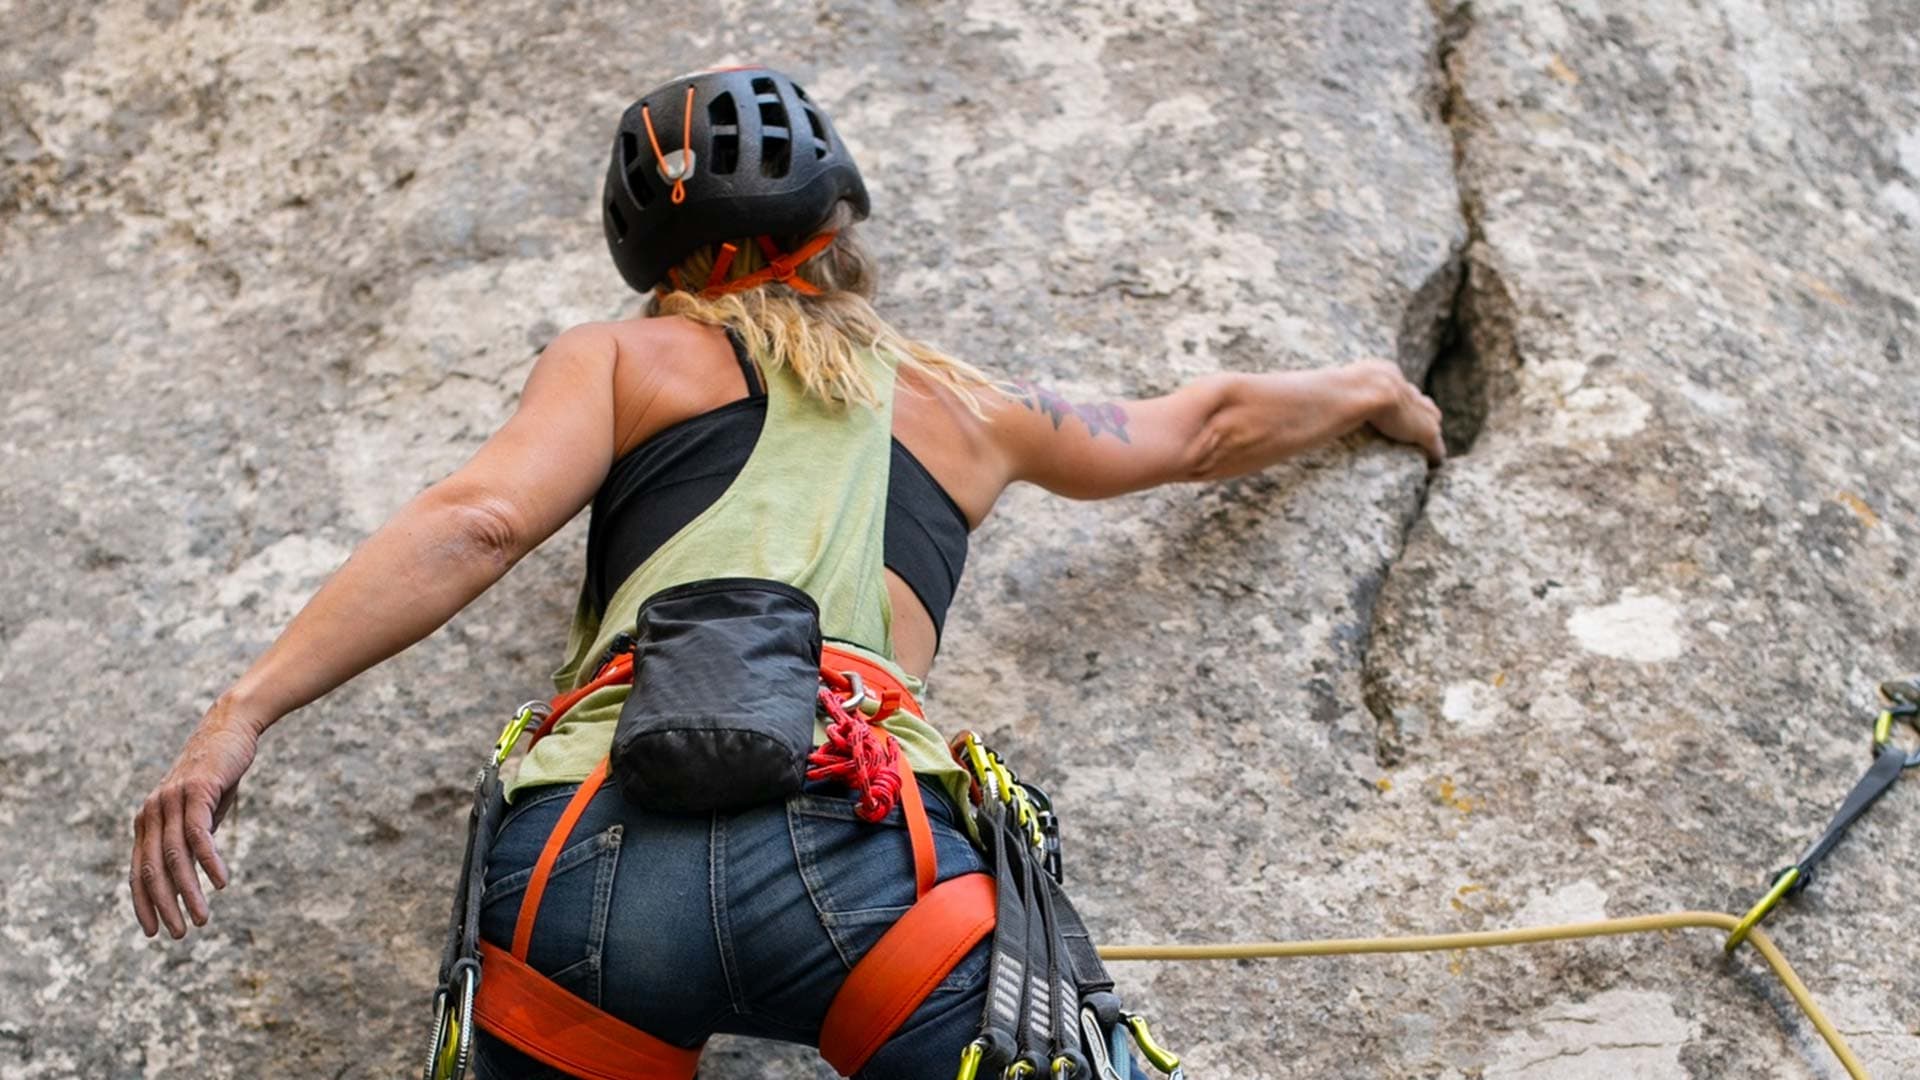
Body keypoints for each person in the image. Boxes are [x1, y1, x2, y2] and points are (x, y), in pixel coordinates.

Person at [128, 66, 1444, 1078]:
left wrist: (241, 713)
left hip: (591, 861)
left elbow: (480, 521)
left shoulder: (623, 359)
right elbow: (1204, 426)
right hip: (873, 857)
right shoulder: (966, 407)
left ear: (661, 269)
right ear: (837, 224)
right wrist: (1369, 388)